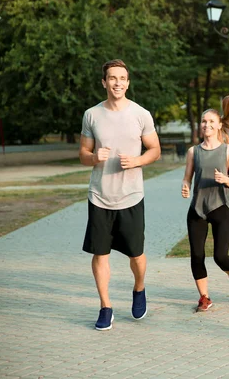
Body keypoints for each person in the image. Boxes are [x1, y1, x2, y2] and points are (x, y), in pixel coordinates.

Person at [80, 59, 161, 331]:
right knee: (100, 254)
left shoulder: (141, 114)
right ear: (104, 82)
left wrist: (137, 161)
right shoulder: (91, 114)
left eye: (122, 78)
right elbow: (82, 153)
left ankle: (139, 288)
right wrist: (93, 157)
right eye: (112, 78)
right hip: (99, 197)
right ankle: (105, 307)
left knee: (136, 254)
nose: (117, 82)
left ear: (128, 82)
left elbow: (155, 150)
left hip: (131, 197)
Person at [181, 92, 229, 312]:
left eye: (211, 121)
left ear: (219, 124)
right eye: (204, 121)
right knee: (197, 255)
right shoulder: (193, 151)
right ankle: (204, 297)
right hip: (197, 209)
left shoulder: (227, 150)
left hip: (220, 207)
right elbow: (187, 177)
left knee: (220, 256)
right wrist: (185, 186)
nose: (206, 124)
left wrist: (226, 180)